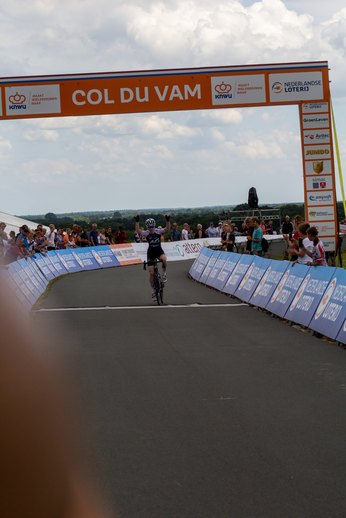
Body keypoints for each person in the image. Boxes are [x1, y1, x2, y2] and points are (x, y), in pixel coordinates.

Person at [135, 213, 170, 300]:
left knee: (164, 259)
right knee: (151, 272)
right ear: (147, 227)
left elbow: (167, 229)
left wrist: (168, 220)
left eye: (152, 226)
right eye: (149, 227)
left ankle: (164, 274)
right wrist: (137, 221)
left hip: (159, 251)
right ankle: (153, 291)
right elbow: (138, 230)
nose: (151, 228)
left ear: (154, 226)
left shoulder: (158, 231)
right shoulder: (146, 233)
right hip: (150, 253)